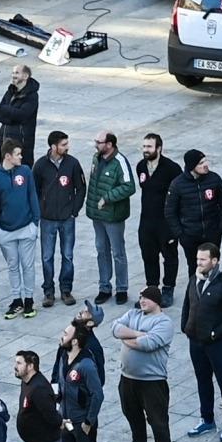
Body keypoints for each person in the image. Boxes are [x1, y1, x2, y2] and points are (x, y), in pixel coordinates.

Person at [108, 288, 177, 442]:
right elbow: (114, 329)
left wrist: (127, 337)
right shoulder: (133, 313)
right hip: (128, 378)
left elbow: (148, 345)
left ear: (156, 300)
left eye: (146, 297)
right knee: (131, 413)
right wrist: (139, 334)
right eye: (140, 297)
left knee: (157, 420)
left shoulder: (164, 323)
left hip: (152, 381)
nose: (142, 300)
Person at [181, 245, 222, 442]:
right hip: (196, 340)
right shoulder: (195, 279)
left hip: (218, 343)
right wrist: (185, 326)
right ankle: (207, 419)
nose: (199, 263)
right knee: (202, 380)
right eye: (198, 259)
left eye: (203, 260)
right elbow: (188, 303)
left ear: (214, 261)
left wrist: (216, 333)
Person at [55, 319, 107, 442]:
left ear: (75, 341)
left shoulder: (86, 365)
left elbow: (97, 395)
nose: (62, 335)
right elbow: (60, 383)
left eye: (66, 333)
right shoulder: (63, 356)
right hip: (66, 420)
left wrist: (88, 421)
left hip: (82, 423)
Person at [31, 131, 84, 309]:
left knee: (67, 255)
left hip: (67, 218)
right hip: (47, 219)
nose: (67, 147)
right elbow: (34, 190)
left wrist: (74, 210)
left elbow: (81, 188)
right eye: (63, 144)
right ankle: (48, 291)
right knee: (47, 257)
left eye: (67, 144)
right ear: (53, 147)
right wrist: (40, 210)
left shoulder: (73, 163)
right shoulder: (40, 165)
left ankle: (66, 290)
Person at [84, 131, 133, 310]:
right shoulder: (96, 158)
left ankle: (121, 288)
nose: (96, 144)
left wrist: (107, 197)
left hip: (113, 216)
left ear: (110, 144)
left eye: (99, 141)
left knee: (118, 252)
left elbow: (129, 186)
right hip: (97, 216)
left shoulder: (120, 161)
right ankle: (104, 286)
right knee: (101, 250)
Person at [0, 143, 40, 320]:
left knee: (27, 265)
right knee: (12, 266)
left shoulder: (25, 171)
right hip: (6, 230)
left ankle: (28, 300)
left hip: (27, 227)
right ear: (7, 156)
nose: (21, 157)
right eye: (18, 154)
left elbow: (32, 195)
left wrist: (35, 222)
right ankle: (16, 299)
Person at [168, 150, 222, 299]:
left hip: (212, 234)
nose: (206, 165)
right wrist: (181, 234)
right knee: (195, 268)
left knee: (213, 267)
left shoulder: (214, 179)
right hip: (190, 236)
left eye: (206, 161)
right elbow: (170, 212)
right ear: (192, 166)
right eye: (201, 163)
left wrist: (220, 228)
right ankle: (196, 297)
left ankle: (215, 296)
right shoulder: (178, 184)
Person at [133, 133, 180, 300]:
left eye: (149, 147)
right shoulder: (141, 166)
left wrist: (175, 227)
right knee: (148, 256)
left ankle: (168, 288)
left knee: (170, 257)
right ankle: (152, 288)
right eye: (144, 146)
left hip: (165, 223)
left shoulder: (172, 169)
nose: (145, 150)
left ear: (159, 148)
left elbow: (179, 198)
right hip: (146, 221)